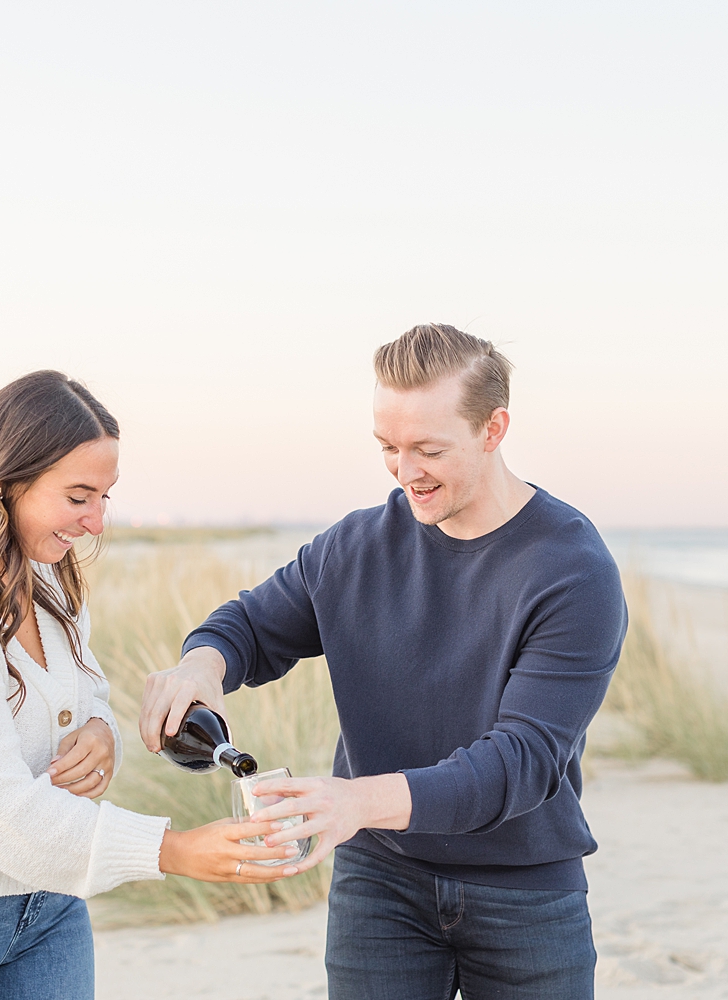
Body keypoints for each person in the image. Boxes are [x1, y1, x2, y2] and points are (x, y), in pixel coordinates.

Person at [139, 324, 627, 999]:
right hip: (382, 887)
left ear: (494, 428)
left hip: (525, 893)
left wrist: (355, 801)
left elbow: (521, 762)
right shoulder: (356, 546)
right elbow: (246, 626)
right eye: (389, 448)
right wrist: (201, 667)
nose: (406, 472)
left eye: (429, 449)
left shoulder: (572, 571)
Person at [0, 370, 298, 1000]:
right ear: (7, 483)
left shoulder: (44, 576)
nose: (97, 522)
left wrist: (104, 734)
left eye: (104, 496)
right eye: (78, 496)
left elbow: (85, 693)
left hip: (48, 908)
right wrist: (175, 850)